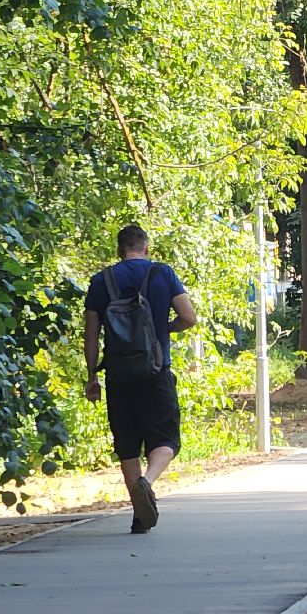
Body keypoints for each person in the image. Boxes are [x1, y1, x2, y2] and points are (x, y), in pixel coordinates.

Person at [84, 224, 198, 533]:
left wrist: (92, 376)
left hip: (119, 375)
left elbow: (91, 335)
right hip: (155, 370)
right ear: (146, 248)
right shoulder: (162, 273)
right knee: (166, 439)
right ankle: (146, 482)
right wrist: (163, 328)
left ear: (119, 250)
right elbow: (189, 317)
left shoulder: (100, 281)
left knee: (127, 444)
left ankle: (139, 516)